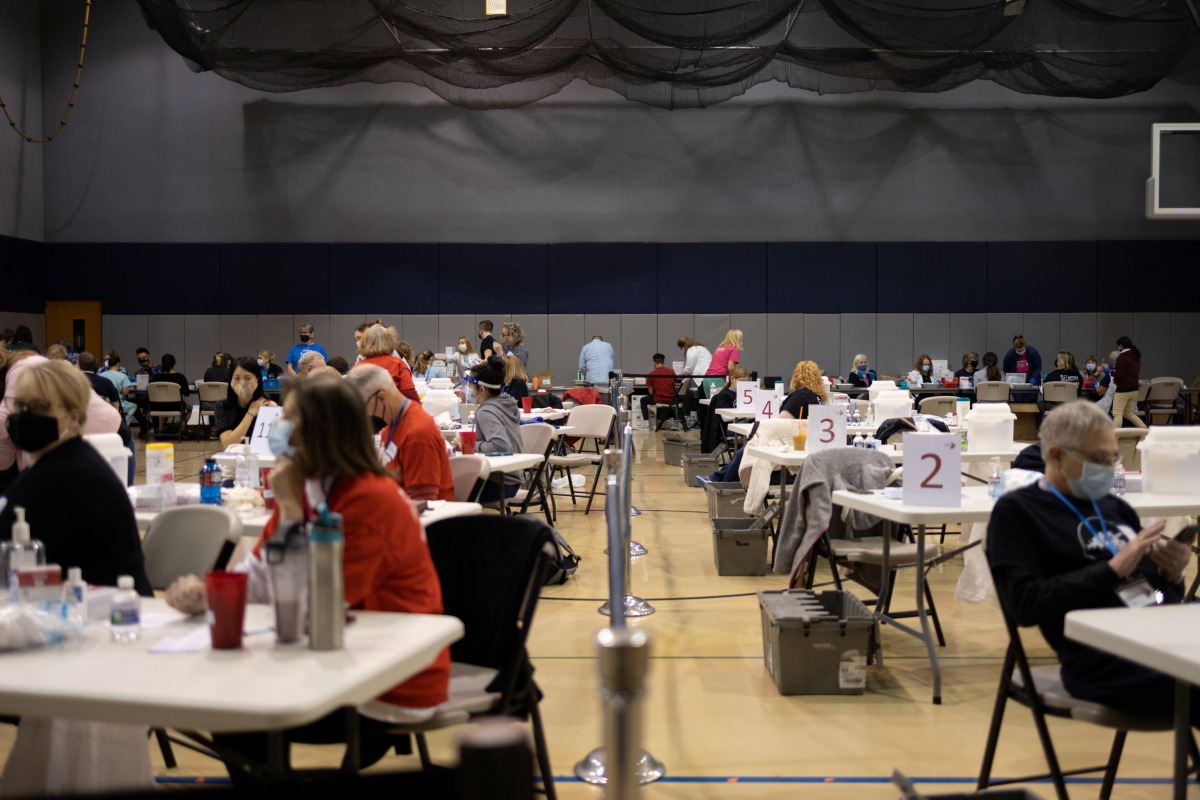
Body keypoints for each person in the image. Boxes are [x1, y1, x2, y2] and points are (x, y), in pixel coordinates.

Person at [165, 376, 450, 779]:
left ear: (322, 432)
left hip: (389, 677)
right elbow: (262, 574)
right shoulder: (306, 482)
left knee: (237, 704)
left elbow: (314, 608)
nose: (278, 428)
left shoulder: (371, 500)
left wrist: (291, 517)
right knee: (227, 700)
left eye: (289, 420)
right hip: (334, 655)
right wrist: (211, 596)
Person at [986, 400, 1193, 723]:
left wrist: (1171, 576)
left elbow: (1156, 600)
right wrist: (1110, 570)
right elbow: (1024, 606)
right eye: (1098, 459)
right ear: (1056, 455)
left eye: (1112, 458)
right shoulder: (1018, 512)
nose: (1109, 467)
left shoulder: (1114, 508)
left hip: (1156, 640)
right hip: (1097, 659)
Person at [0, 360, 151, 593]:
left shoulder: (64, 478)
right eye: (20, 405)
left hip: (101, 614)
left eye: (40, 407)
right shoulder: (68, 459)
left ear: (74, 416)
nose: (25, 416)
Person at [346, 363, 454, 502]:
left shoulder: (418, 433)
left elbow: (423, 500)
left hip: (427, 517)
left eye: (363, 406)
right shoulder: (391, 427)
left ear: (382, 397)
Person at [460, 356, 521, 503]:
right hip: (512, 479)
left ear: (481, 389)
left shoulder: (487, 411)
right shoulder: (506, 404)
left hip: (498, 482)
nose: (469, 390)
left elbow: (500, 445)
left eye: (471, 386)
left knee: (448, 487)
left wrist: (468, 445)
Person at [76, 351, 136, 485]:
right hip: (111, 427)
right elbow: (116, 406)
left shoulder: (72, 383)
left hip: (80, 431)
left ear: (78, 366)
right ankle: (128, 486)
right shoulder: (106, 382)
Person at [215, 357, 278, 448]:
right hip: (235, 457)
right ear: (231, 380)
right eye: (237, 378)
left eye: (248, 378)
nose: (242, 383)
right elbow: (229, 444)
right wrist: (251, 413)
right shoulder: (222, 406)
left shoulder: (267, 406)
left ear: (258, 379)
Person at [358, 325, 419, 402]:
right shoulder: (399, 364)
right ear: (391, 342)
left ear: (364, 343)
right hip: (393, 412)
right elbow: (410, 396)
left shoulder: (358, 367)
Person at [147, 354, 191, 434]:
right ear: (174, 364)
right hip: (176, 406)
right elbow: (187, 393)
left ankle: (161, 430)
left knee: (164, 405)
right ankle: (181, 428)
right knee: (189, 408)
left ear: (162, 364)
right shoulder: (180, 377)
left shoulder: (155, 377)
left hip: (158, 407)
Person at [1110, 335, 1146, 429]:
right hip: (1134, 389)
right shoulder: (1136, 356)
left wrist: (1110, 372)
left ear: (1121, 346)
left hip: (1123, 389)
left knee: (1117, 414)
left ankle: (1114, 436)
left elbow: (1119, 374)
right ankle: (1144, 429)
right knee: (1128, 413)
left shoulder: (1122, 357)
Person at [641, 353, 678, 430]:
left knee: (643, 400)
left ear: (654, 362)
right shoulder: (671, 372)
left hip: (659, 400)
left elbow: (650, 392)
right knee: (670, 400)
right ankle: (672, 422)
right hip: (671, 400)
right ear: (664, 362)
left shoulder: (651, 374)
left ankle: (646, 423)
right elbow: (674, 388)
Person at [99, 351, 136, 424]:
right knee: (134, 406)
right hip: (118, 403)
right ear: (118, 363)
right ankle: (124, 425)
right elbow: (125, 393)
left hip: (104, 402)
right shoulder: (123, 376)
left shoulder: (101, 375)